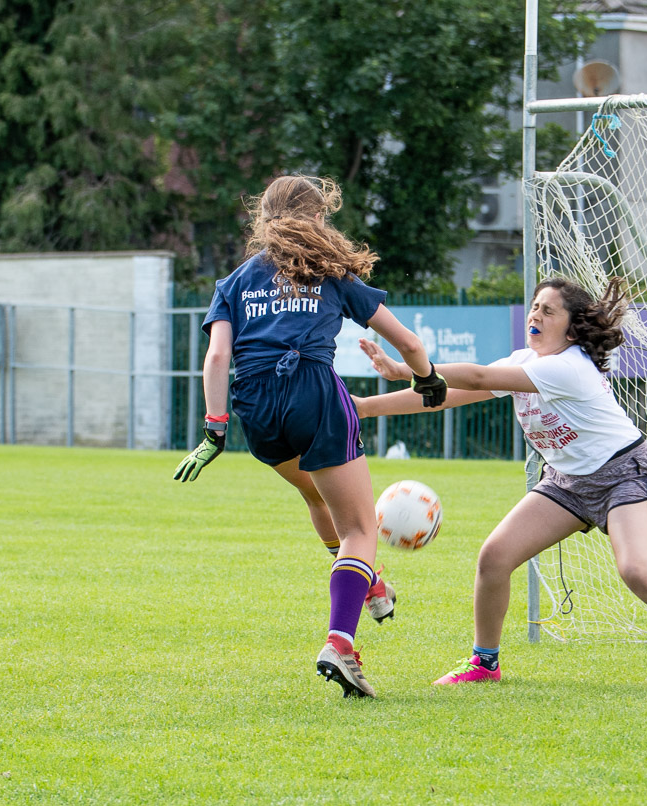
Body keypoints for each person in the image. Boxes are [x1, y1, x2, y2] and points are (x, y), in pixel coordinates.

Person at [352, 276, 647, 694]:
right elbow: (447, 394)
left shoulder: (568, 366)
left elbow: (470, 376)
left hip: (622, 474)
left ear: (571, 326)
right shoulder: (523, 360)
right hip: (566, 482)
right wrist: (365, 408)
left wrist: (407, 369)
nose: (536, 315)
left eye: (549, 310)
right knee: (494, 557)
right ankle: (484, 662)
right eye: (534, 307)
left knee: (635, 569)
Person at [172, 175, 448, 699]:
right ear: (318, 219)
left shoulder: (233, 282)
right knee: (361, 528)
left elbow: (216, 357)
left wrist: (214, 431)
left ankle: (371, 582)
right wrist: (428, 377)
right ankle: (340, 642)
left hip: (254, 404)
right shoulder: (330, 271)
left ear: (264, 219)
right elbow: (408, 342)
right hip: (313, 394)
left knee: (313, 491)